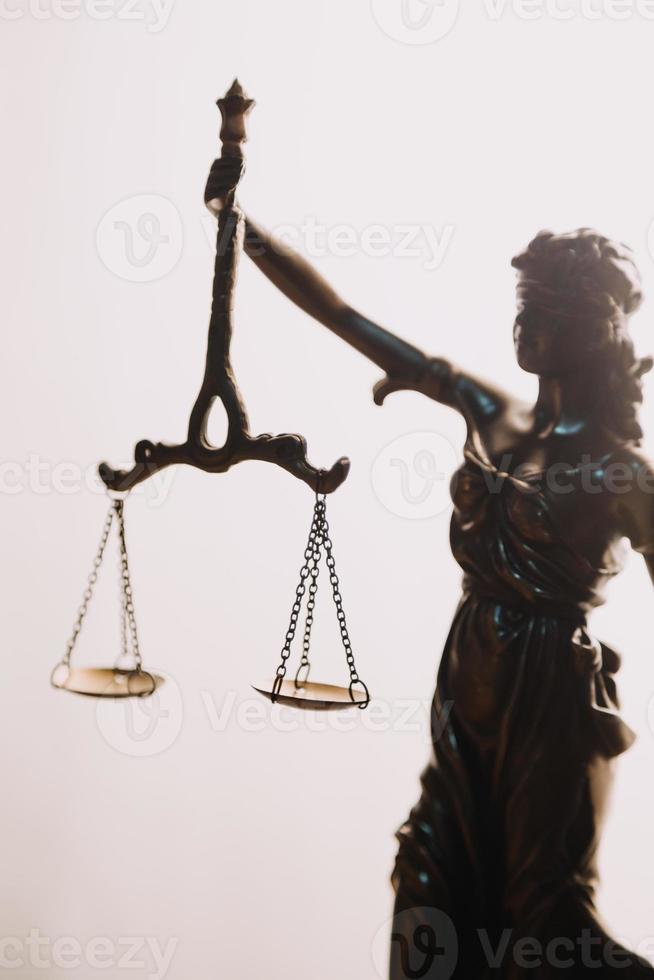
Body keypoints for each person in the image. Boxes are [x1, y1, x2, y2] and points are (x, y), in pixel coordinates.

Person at [206, 157, 654, 977]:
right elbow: (343, 313)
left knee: (545, 925)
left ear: (595, 326)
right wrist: (237, 226)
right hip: (468, 676)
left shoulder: (623, 473)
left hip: (549, 695)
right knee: (428, 888)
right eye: (521, 308)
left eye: (545, 311)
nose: (524, 327)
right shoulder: (494, 413)